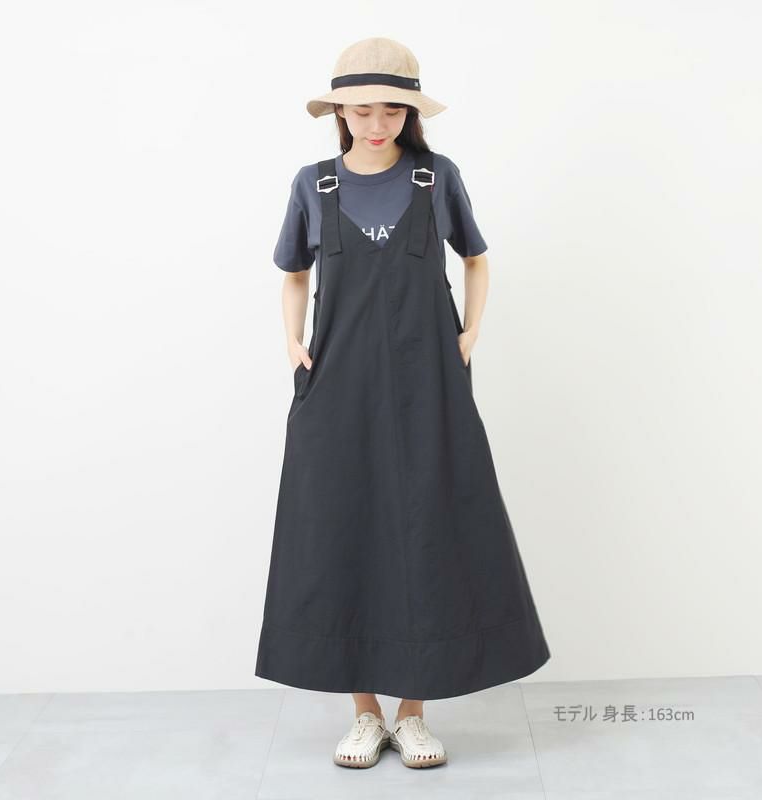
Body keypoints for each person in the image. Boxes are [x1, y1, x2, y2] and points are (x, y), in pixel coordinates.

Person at [255, 37, 551, 769]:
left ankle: (413, 714)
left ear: (410, 113)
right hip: (337, 387)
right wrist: (291, 342)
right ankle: (364, 714)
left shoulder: (435, 178)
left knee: (427, 531)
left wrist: (470, 333)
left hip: (430, 386)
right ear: (340, 114)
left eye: (391, 109)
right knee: (341, 529)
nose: (377, 123)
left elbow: (475, 258)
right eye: (362, 110)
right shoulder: (314, 185)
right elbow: (294, 273)